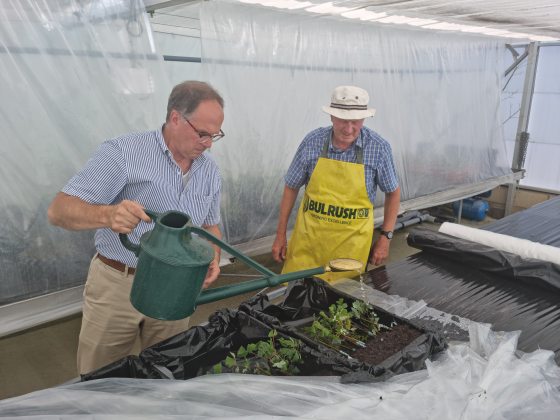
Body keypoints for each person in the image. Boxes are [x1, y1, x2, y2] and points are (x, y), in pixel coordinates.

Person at [48, 80, 225, 374]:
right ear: (175, 118)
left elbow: (210, 226)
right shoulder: (124, 153)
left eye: (214, 136)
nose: (207, 144)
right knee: (101, 376)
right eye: (202, 134)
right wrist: (108, 215)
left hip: (176, 288)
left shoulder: (209, 170)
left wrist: (214, 255)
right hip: (119, 283)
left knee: (167, 371)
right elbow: (59, 210)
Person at [272, 85, 400, 281]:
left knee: (343, 304)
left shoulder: (378, 148)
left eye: (355, 122)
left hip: (350, 251)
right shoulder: (312, 142)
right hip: (308, 245)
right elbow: (291, 186)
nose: (349, 129)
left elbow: (393, 193)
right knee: (297, 299)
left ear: (364, 119)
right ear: (331, 116)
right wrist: (280, 234)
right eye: (342, 121)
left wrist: (386, 237)